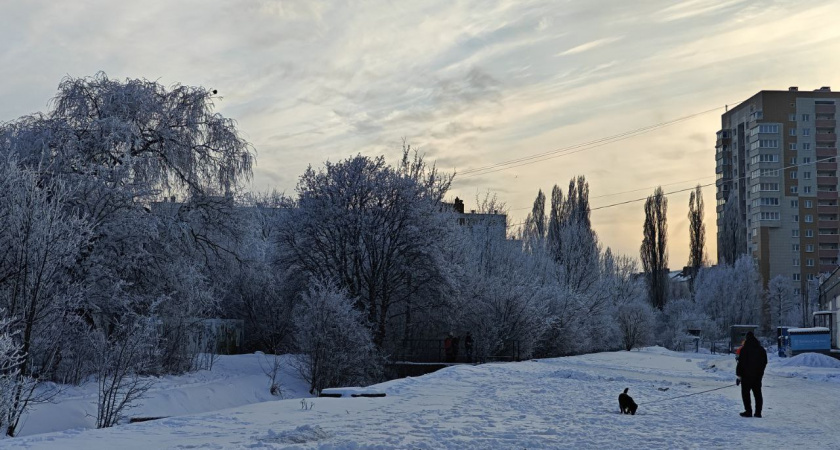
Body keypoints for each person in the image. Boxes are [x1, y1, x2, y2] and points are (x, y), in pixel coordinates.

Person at [735, 331, 767, 418]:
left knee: (745, 394)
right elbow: (765, 362)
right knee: (758, 394)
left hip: (746, 377)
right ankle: (758, 413)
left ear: (747, 338)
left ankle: (748, 411)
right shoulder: (761, 350)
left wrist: (739, 375)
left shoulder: (744, 350)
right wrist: (760, 372)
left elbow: (740, 363)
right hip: (757, 376)